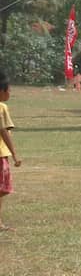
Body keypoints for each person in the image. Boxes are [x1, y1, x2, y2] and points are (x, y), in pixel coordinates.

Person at [0, 70, 18, 232]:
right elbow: (4, 132)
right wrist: (15, 155)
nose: (10, 93)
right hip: (0, 155)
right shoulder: (2, 107)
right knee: (3, 188)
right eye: (9, 90)